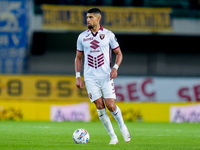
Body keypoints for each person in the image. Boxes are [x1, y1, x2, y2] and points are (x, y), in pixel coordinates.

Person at [75, 7, 131, 145]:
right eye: (87, 17)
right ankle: (113, 137)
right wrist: (78, 76)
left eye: (91, 17)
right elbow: (78, 57)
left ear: (98, 18)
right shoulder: (82, 37)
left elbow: (119, 53)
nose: (88, 20)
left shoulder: (108, 35)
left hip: (106, 76)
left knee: (111, 106)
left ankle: (123, 127)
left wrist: (115, 68)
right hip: (90, 78)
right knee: (99, 106)